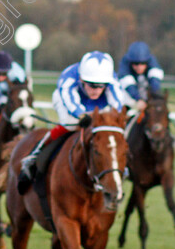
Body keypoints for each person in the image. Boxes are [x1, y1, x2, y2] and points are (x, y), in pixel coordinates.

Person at [19, 51, 125, 183]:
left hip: (99, 104)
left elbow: (117, 104)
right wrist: (81, 114)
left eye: (101, 86)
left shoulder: (112, 80)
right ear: (81, 79)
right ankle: (35, 155)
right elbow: (70, 102)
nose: (96, 90)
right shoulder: (69, 78)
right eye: (92, 85)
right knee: (71, 124)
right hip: (67, 101)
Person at [118, 41, 164, 111]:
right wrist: (138, 99)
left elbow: (155, 81)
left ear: (147, 61)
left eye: (143, 63)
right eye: (135, 63)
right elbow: (128, 85)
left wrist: (155, 95)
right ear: (130, 62)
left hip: (146, 92)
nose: (139, 67)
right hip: (128, 96)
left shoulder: (152, 61)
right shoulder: (125, 63)